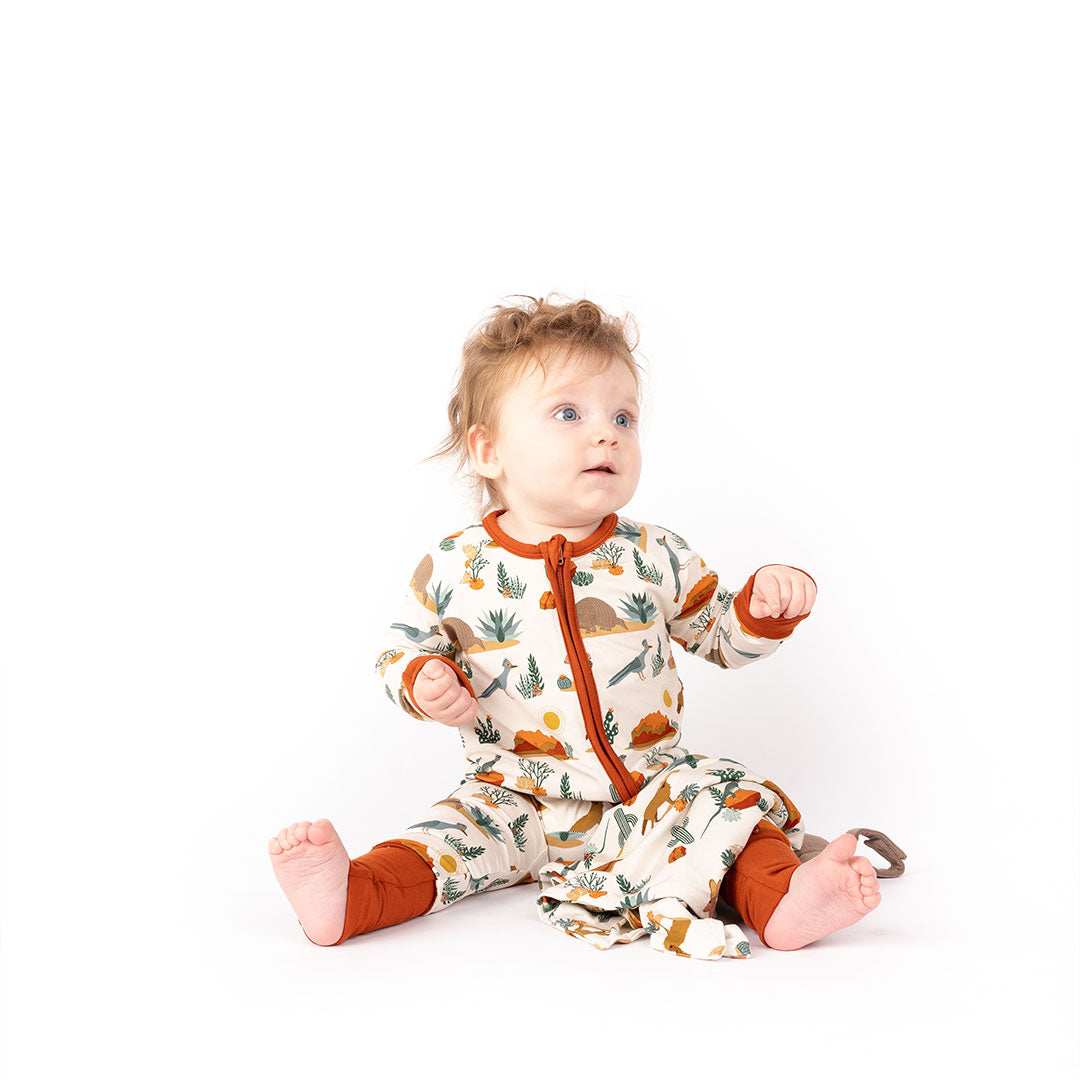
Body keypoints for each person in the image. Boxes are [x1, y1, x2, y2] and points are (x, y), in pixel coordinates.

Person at [269, 294, 881, 959]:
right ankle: (348, 895)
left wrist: (762, 608)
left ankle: (785, 903)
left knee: (729, 810)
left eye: (624, 416)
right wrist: (424, 679)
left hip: (649, 793)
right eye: (569, 413)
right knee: (435, 848)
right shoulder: (453, 566)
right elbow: (399, 655)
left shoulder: (654, 554)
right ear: (488, 449)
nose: (607, 433)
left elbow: (719, 636)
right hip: (512, 799)